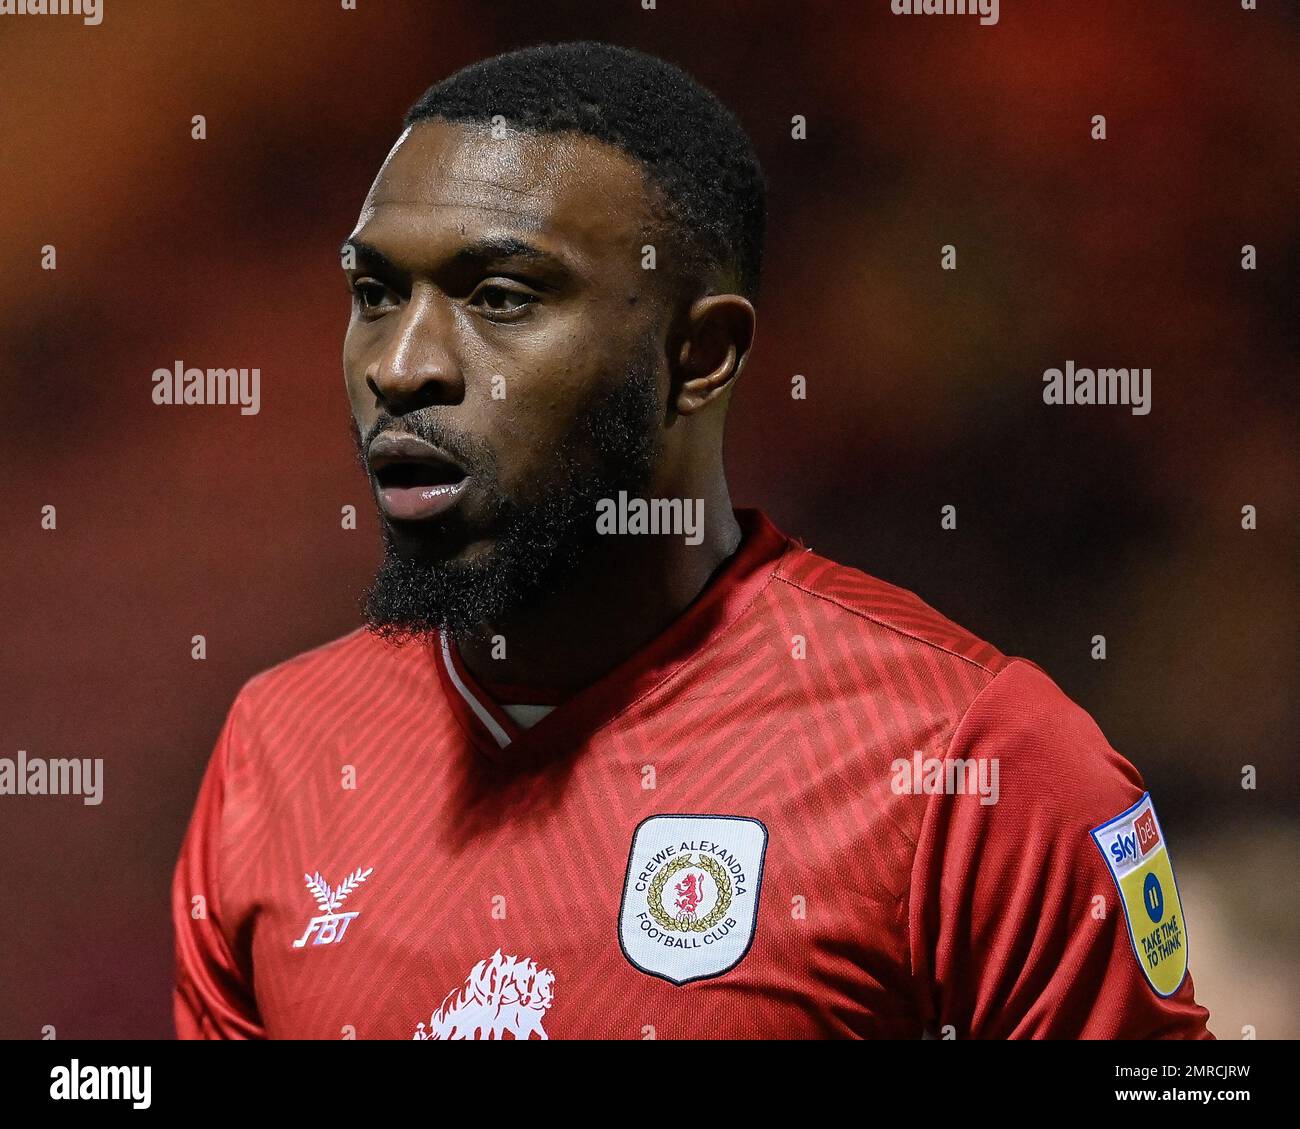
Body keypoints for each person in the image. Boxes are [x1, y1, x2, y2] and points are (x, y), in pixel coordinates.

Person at [172, 40, 1211, 1039]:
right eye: (374, 292)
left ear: (699, 354)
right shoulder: (281, 746)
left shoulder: (971, 760)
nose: (400, 365)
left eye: (499, 297)